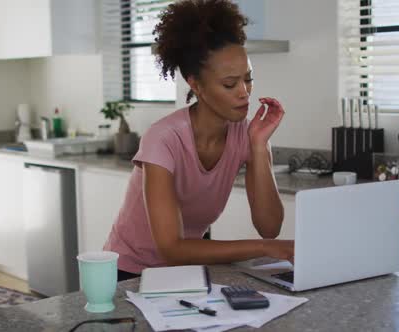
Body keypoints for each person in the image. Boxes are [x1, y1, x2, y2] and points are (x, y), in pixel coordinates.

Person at [104, 0, 294, 282]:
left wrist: (257, 145)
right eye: (230, 84)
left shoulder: (247, 134)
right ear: (196, 85)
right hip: (130, 272)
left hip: (186, 271)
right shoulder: (163, 139)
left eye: (248, 79)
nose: (244, 93)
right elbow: (171, 248)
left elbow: (269, 227)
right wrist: (266, 249)